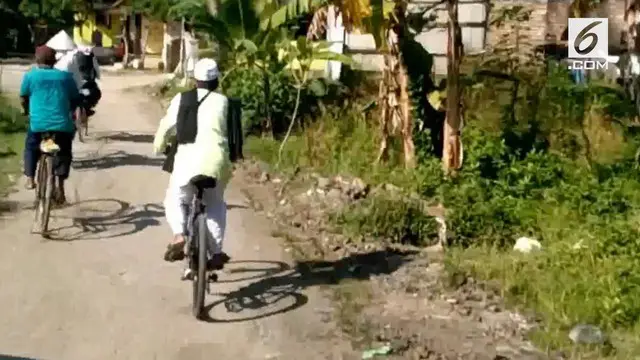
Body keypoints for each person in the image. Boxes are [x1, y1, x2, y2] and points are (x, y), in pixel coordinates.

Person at [153, 58, 232, 269]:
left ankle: (179, 235)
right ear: (216, 81)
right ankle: (216, 252)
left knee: (176, 199)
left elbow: (167, 128)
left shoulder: (182, 99)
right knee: (215, 204)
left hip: (187, 163)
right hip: (217, 162)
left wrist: (159, 147)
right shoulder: (223, 101)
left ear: (195, 81)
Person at [20, 45, 80, 204]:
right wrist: (71, 110)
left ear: (37, 60)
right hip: (62, 125)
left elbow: (23, 98)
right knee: (64, 152)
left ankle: (30, 178)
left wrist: (26, 111)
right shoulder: (66, 77)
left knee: (31, 147)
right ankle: (60, 187)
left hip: (38, 124)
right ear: (55, 61)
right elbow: (75, 99)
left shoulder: (30, 76)